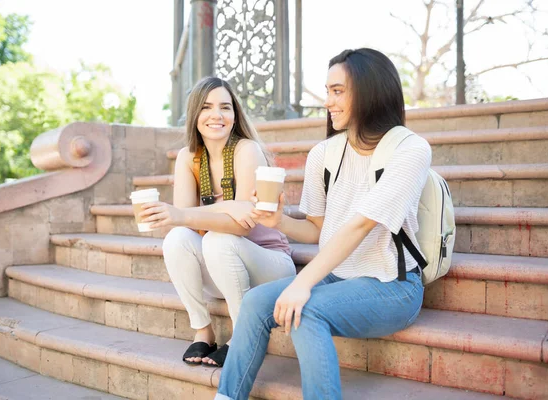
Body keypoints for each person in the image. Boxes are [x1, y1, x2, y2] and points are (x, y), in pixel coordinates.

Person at [214, 48, 431, 399]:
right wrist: (279, 221)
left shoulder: (410, 150)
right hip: (337, 275)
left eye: (337, 91)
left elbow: (361, 226)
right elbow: (318, 230)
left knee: (306, 310)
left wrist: (303, 283)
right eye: (327, 91)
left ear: (369, 90)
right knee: (255, 302)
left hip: (392, 284)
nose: (327, 101)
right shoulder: (324, 154)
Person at [139, 76, 295, 368]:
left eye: (225, 107)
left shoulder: (246, 149)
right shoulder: (188, 157)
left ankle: (243, 335)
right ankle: (203, 330)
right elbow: (186, 226)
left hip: (269, 267)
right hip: (220, 267)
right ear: (195, 114)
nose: (217, 115)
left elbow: (241, 225)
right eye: (207, 107)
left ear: (235, 115)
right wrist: (230, 205)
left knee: (218, 238)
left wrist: (186, 213)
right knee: (177, 239)